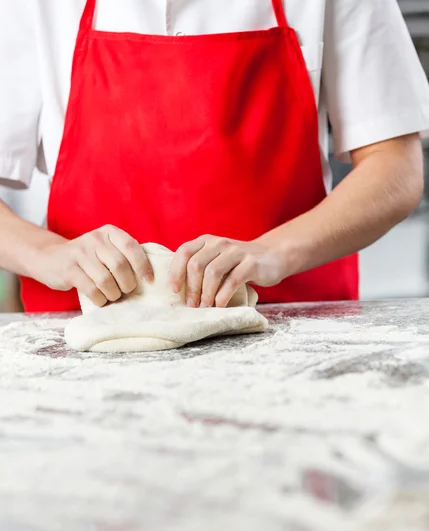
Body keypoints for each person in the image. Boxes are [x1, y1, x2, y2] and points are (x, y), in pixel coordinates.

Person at [0, 0, 428, 313]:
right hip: (85, 339)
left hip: (291, 330)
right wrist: (47, 255)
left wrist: (271, 252)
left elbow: (395, 166)